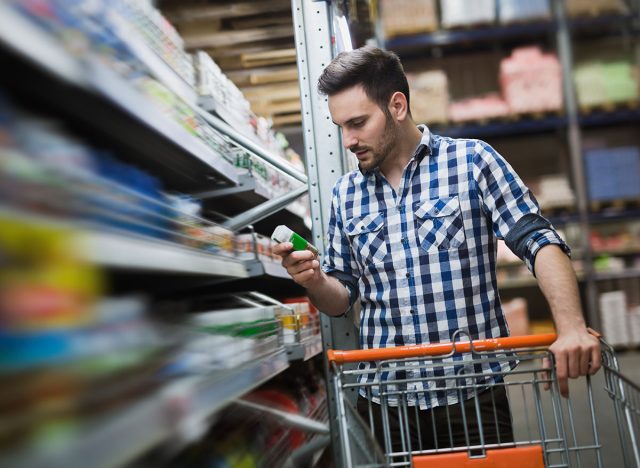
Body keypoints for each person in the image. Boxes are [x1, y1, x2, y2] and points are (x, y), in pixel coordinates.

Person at [272, 45, 601, 451]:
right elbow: (341, 298)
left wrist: (570, 328)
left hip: (470, 393)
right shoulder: (345, 195)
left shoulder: (472, 162)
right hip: (385, 403)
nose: (349, 140)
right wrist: (315, 279)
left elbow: (539, 240)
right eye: (341, 126)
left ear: (397, 106)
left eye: (357, 123)